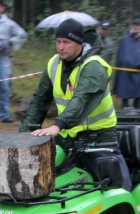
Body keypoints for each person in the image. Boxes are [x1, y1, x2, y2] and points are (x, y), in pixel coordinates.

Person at [20, 19, 131, 191]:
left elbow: (82, 99)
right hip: (68, 138)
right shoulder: (54, 64)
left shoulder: (94, 66)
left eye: (66, 42)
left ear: (79, 43)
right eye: (58, 42)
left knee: (118, 189)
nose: (61, 47)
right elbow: (40, 101)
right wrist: (23, 136)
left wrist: (58, 124)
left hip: (99, 139)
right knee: (47, 183)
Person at [113, 18, 140, 109]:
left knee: (138, 99)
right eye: (135, 25)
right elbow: (121, 56)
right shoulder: (125, 39)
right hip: (125, 73)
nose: (136, 27)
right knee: (125, 98)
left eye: (138, 25)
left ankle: (137, 117)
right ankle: (125, 117)